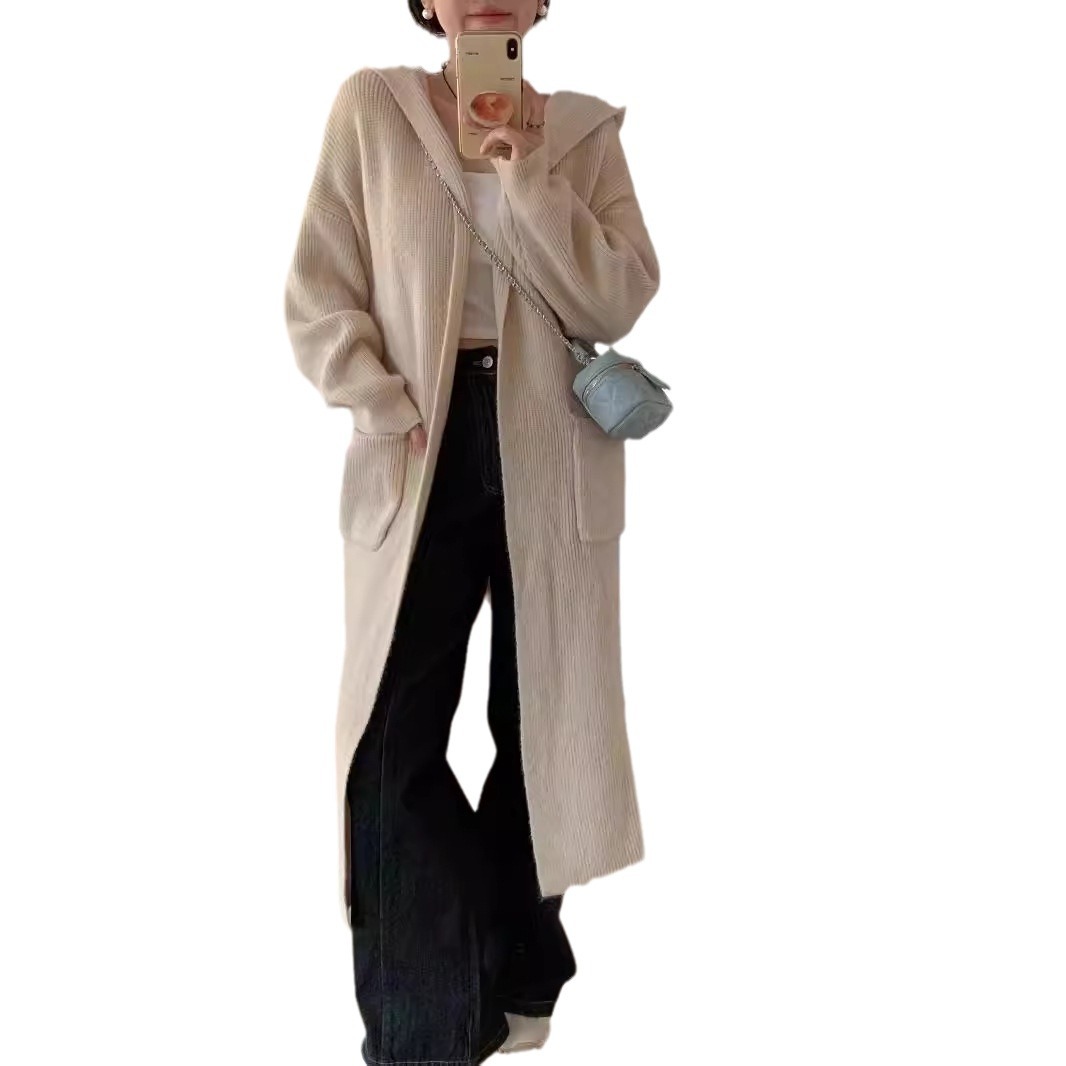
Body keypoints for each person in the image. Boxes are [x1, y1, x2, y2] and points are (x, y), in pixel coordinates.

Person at [283, 2, 661, 1063]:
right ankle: (426, 1030)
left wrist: (523, 167)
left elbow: (615, 296)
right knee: (390, 740)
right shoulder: (375, 109)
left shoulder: (582, 132)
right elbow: (318, 289)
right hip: (419, 441)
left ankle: (516, 979)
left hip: (552, 452)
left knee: (542, 732)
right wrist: (379, 402)